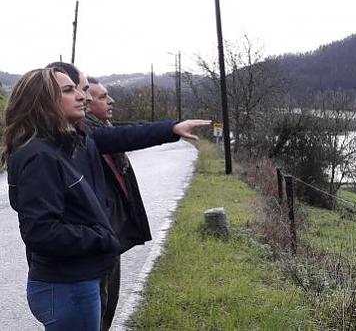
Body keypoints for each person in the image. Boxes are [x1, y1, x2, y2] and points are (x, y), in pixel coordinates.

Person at [3, 67, 209, 330]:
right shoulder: (40, 156)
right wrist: (102, 238)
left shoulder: (71, 142)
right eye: (69, 90)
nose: (82, 97)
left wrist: (171, 128)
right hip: (68, 286)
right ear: (43, 101)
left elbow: (123, 135)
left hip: (79, 279)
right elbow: (41, 232)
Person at [85, 77, 149, 330]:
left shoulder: (107, 133)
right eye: (103, 97)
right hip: (97, 239)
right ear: (87, 102)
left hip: (111, 237)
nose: (110, 100)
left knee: (109, 303)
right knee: (96, 307)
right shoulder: (87, 140)